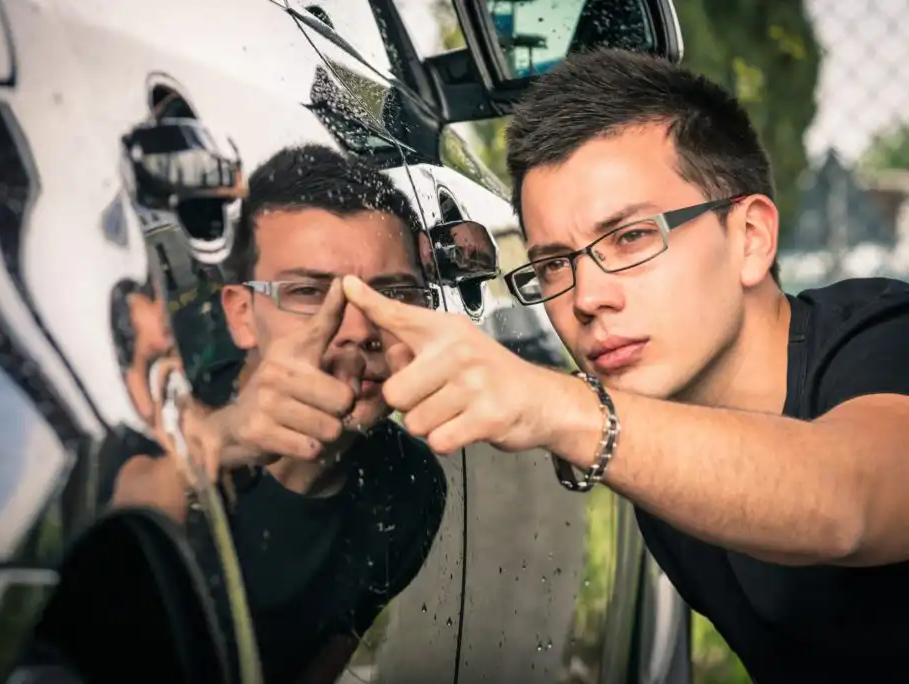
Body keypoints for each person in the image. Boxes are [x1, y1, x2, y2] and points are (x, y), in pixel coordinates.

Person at [336, 49, 909, 683]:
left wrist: (565, 409)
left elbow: (850, 502)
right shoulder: (661, 445)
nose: (585, 297)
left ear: (749, 238)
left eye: (632, 237)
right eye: (554, 264)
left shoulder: (885, 339)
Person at [172, 143, 448, 684]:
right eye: (308, 292)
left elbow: (323, 661)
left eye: (392, 294)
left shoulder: (409, 488)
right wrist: (212, 449)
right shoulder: (153, 426)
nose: (359, 329)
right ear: (242, 315)